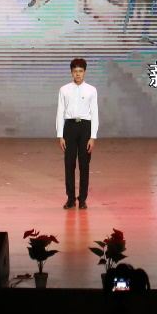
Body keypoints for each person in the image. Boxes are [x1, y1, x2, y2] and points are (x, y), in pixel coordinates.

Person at [57, 57, 98, 209]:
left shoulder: (91, 90)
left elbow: (94, 113)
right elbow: (60, 112)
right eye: (75, 71)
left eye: (81, 71)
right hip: (69, 127)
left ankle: (82, 199)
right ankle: (70, 198)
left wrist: (92, 136)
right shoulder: (64, 89)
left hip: (85, 127)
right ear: (71, 72)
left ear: (85, 72)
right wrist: (60, 135)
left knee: (84, 164)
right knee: (69, 164)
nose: (78, 74)